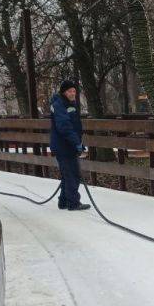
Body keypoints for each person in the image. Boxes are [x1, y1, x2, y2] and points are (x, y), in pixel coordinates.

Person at [49, 80, 90, 211]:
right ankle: (73, 203)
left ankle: (63, 201)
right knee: (73, 174)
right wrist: (76, 142)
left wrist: (78, 142)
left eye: (74, 91)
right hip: (63, 146)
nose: (72, 93)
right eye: (69, 91)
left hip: (69, 145)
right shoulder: (59, 104)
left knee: (68, 174)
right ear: (64, 92)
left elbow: (74, 124)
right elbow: (64, 126)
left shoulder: (69, 103)